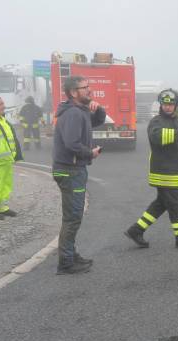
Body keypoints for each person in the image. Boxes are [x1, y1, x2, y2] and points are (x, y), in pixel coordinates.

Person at [125, 89, 178, 250]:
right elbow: (157, 137)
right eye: (164, 104)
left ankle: (136, 230)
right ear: (160, 105)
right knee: (176, 205)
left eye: (170, 104)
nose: (167, 107)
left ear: (176, 105)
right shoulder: (156, 122)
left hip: (175, 171)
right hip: (163, 172)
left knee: (162, 204)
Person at [52, 75, 105, 275]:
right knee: (73, 217)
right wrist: (89, 153)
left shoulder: (80, 111)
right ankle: (66, 262)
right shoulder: (73, 113)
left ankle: (70, 255)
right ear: (74, 93)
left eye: (89, 86)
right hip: (70, 170)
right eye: (85, 87)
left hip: (72, 169)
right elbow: (72, 143)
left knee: (72, 215)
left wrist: (98, 108)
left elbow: (97, 121)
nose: (90, 90)